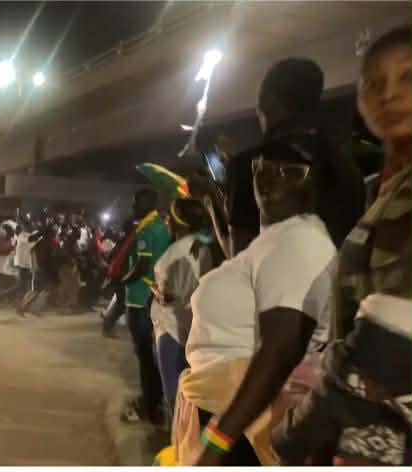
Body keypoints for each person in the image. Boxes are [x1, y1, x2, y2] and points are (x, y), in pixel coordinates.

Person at [272, 25, 412, 466]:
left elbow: (391, 337)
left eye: (409, 77)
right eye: (373, 82)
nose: (388, 94)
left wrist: (299, 431)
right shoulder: (383, 189)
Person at [175, 122, 339, 465]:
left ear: (316, 184)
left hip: (245, 429)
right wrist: (211, 202)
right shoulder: (272, 243)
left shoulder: (300, 239)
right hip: (231, 415)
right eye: (261, 167)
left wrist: (217, 443)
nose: (270, 176)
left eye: (290, 170)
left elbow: (281, 348)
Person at [200, 57, 365, 259]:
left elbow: (239, 259)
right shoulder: (346, 164)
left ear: (268, 101)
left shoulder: (250, 166)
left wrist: (212, 207)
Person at [150, 198, 213, 413]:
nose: (166, 220)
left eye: (169, 217)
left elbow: (171, 296)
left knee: (175, 398)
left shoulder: (175, 253)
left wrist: (160, 293)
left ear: (179, 222)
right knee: (191, 399)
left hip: (171, 329)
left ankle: (179, 443)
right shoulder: (203, 247)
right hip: (195, 331)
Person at [119, 188, 171, 426]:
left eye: (135, 203)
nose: (133, 208)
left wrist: (120, 280)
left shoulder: (146, 230)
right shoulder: (163, 227)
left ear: (145, 205)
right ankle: (154, 402)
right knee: (151, 356)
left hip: (139, 297)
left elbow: (141, 265)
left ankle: (148, 407)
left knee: (144, 356)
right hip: (153, 297)